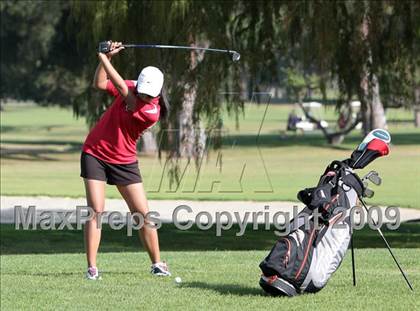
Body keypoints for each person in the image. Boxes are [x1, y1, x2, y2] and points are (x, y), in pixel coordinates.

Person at [80, 41, 171, 280]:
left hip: (124, 160)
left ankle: (157, 263)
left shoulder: (150, 112)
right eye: (141, 89)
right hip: (95, 152)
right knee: (96, 211)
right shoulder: (133, 87)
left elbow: (122, 89)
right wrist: (107, 59)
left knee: (142, 214)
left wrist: (103, 57)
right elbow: (100, 83)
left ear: (158, 93)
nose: (143, 94)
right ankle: (92, 268)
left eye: (148, 93)